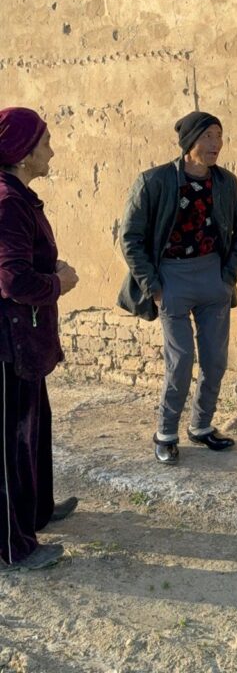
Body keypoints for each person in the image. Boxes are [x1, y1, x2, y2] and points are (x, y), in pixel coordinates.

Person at [118, 111, 237, 464]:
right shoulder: (154, 181)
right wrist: (154, 286)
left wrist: (228, 276)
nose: (216, 144)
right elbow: (130, 237)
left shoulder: (226, 183)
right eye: (208, 136)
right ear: (189, 141)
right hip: (171, 279)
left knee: (215, 360)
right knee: (180, 361)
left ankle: (201, 426)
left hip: (214, 278)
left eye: (219, 135)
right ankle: (165, 433)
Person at [0, 108, 79, 571]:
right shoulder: (7, 202)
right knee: (10, 444)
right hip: (8, 344)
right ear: (23, 153)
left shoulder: (19, 197)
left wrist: (51, 270)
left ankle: (36, 513)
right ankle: (13, 547)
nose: (52, 151)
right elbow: (11, 280)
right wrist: (57, 282)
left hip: (25, 339)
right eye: (45, 143)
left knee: (34, 428)